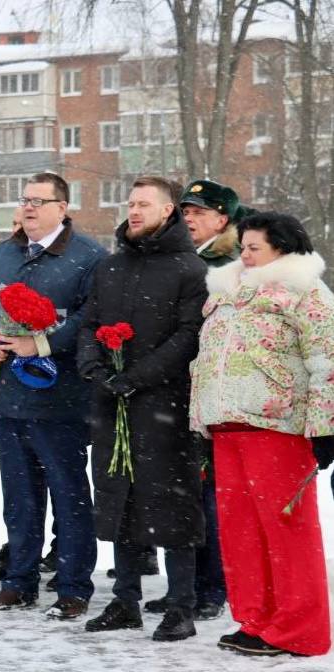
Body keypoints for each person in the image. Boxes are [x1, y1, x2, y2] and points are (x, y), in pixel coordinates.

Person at [189, 212, 334, 657]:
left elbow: (326, 361)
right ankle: (256, 619)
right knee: (241, 533)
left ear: (284, 249)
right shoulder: (226, 292)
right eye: (244, 247)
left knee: (286, 530)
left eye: (255, 247)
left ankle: (300, 629)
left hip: (279, 428)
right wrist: (200, 419)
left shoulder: (307, 293)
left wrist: (325, 427)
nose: (245, 255)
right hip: (227, 426)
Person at [0, 172, 104, 619]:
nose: (28, 208)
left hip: (60, 399)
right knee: (18, 498)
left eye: (38, 201)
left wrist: (42, 343)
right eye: (24, 200)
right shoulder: (5, 253)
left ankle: (73, 586)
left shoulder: (87, 258)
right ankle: (18, 581)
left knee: (68, 495)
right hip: (8, 398)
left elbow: (91, 320)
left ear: (61, 209)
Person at [77, 176, 207, 642]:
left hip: (164, 405)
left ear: (169, 211)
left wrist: (139, 377)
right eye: (130, 203)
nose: (134, 211)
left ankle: (181, 607)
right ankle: (125, 600)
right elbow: (90, 322)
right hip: (111, 403)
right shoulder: (110, 268)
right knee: (121, 501)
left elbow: (189, 336)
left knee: (171, 506)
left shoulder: (189, 269)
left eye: (145, 204)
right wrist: (94, 366)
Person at [144, 179, 244, 621]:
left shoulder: (231, 265)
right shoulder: (177, 258)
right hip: (174, 391)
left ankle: (211, 586)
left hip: (209, 392)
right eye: (184, 210)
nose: (188, 217)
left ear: (223, 220)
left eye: (199, 211)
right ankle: (182, 585)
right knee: (177, 495)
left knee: (207, 496)